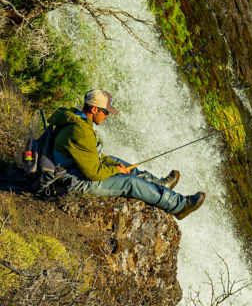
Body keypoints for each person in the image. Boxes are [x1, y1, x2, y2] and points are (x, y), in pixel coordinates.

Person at [47, 89, 205, 219]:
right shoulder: (81, 131)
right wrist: (117, 170)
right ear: (94, 109)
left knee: (114, 161)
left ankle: (159, 185)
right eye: (106, 112)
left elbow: (95, 155)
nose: (108, 116)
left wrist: (114, 165)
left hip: (72, 168)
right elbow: (93, 173)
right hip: (72, 182)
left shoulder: (76, 119)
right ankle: (179, 205)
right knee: (129, 183)